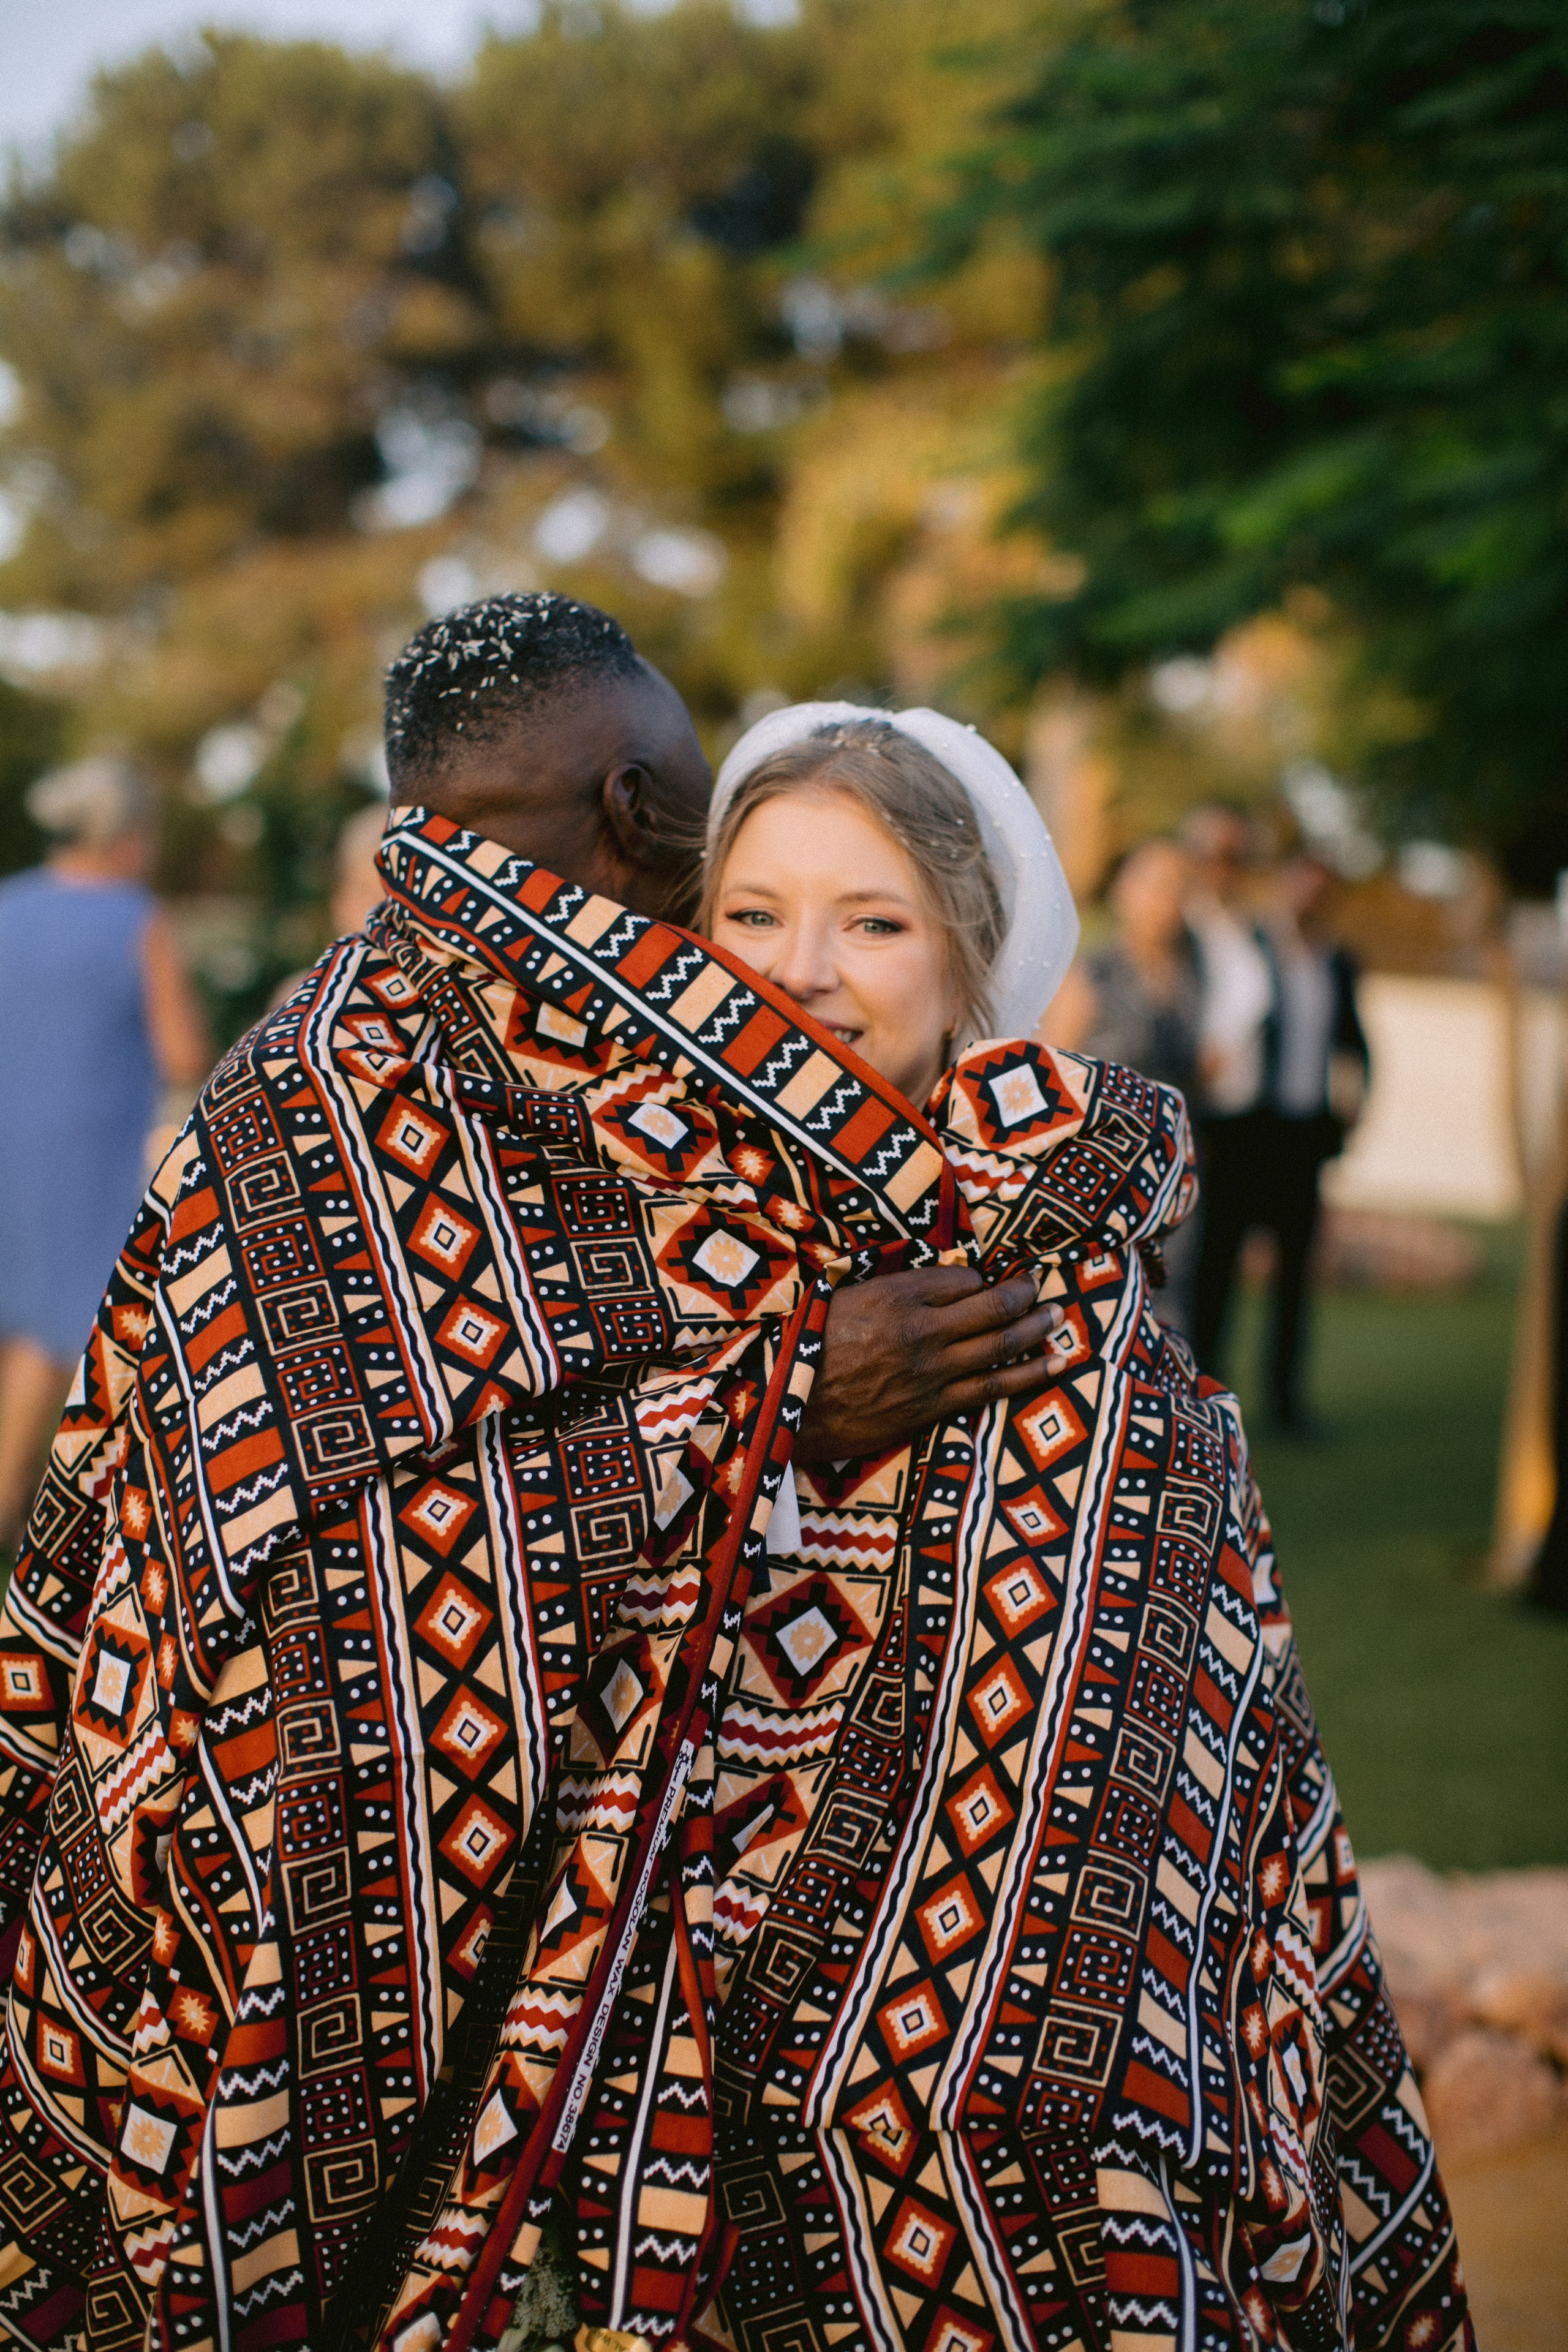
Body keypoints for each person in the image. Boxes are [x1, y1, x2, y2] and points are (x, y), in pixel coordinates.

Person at [0, 600, 1069, 2352]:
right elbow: (327, 1573)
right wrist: (782, 1401)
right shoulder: (427, 1075)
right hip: (291, 1878)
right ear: (646, 811)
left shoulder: (372, 1067)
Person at [679, 705, 1468, 2352]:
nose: (797, 969)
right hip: (657, 2108)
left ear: (970, 960)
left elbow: (1176, 1768)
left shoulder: (1080, 1291)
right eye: (750, 915)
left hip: (1015, 2148)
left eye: (872, 921)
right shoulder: (615, 1256)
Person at [0, 755, 209, 1547]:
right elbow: (184, 1051)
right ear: (122, 835)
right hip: (80, 1144)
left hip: (5, 1127)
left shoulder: (8, 904)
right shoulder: (135, 917)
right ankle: (5, 1505)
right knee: (53, 1329)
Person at [1044, 839, 1204, 1333]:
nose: (1167, 901)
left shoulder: (1192, 977)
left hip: (1174, 1180)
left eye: (1179, 889)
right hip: (1101, 1182)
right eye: (1156, 885)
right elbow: (1048, 1087)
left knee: (1168, 1313)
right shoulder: (1088, 975)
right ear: (1123, 890)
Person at [1261, 851, 1368, 1432]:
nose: (1310, 899)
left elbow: (1355, 1041)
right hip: (1250, 1130)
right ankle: (1200, 1388)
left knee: (1297, 1275)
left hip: (1306, 1135)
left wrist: (1353, 1107)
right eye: (1302, 886)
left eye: (1322, 891)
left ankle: (1286, 1400)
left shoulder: (1340, 962)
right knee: (1218, 1268)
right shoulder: (1256, 950)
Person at [1183, 804, 1280, 1378]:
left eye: (1236, 857)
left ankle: (1206, 1384)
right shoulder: (1181, 927)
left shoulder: (1253, 930)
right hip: (1192, 1113)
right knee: (1183, 1264)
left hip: (1246, 1121)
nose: (1224, 868)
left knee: (1223, 1263)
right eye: (1214, 855)